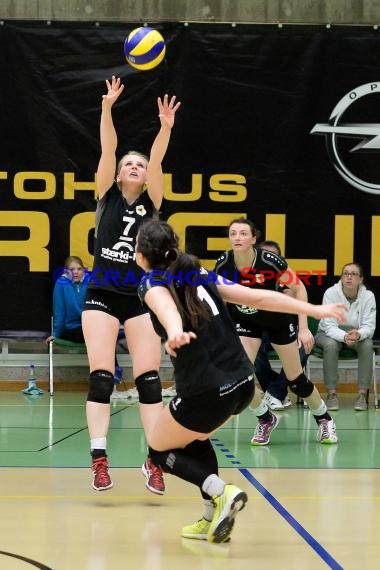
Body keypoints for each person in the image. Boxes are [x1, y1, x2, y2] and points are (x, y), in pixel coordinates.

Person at [135, 219, 347, 543]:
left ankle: (223, 491)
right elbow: (257, 297)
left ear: (141, 255)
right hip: (243, 385)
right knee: (195, 440)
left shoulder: (151, 282)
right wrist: (313, 309)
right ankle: (210, 517)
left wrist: (175, 331)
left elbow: (166, 308)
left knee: (158, 451)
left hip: (205, 389)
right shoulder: (200, 271)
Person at [82, 75, 181, 493]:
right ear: (120, 173)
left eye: (139, 164)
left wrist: (165, 129)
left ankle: (153, 461)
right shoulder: (105, 194)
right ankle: (99, 460)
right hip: (103, 293)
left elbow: (157, 162)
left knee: (149, 380)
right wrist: (106, 109)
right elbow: (108, 148)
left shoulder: (151, 202)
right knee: (102, 377)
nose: (135, 166)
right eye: (130, 164)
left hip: (141, 297)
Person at [214, 218, 337, 446]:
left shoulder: (270, 261)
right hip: (246, 321)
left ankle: (324, 419)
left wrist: (302, 328)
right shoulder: (223, 263)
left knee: (296, 380)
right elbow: (217, 296)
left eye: (243, 233)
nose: (238, 237)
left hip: (277, 320)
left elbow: (299, 288)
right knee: (240, 377)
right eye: (233, 233)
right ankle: (265, 418)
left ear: (253, 238)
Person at [254, 240, 310, 410]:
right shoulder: (249, 278)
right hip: (259, 329)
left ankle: (274, 393)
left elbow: (292, 299)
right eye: (265, 255)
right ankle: (278, 393)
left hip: (284, 329)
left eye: (273, 255)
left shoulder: (287, 278)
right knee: (252, 350)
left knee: (304, 346)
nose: (269, 259)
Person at [315, 262, 376, 411]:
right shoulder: (331, 293)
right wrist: (344, 337)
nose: (349, 277)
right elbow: (328, 326)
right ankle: (331, 394)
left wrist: (359, 334)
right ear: (341, 277)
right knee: (330, 345)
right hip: (327, 333)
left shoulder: (368, 296)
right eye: (345, 273)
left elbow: (369, 326)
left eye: (353, 274)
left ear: (360, 279)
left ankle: (362, 395)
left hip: (355, 334)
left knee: (367, 345)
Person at [46, 256, 88, 343]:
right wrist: (56, 334)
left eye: (79, 269)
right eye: (72, 269)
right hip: (71, 329)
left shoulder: (90, 282)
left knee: (104, 335)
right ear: (66, 271)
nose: (76, 272)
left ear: (83, 270)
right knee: (89, 335)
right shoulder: (61, 283)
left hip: (90, 326)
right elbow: (59, 311)